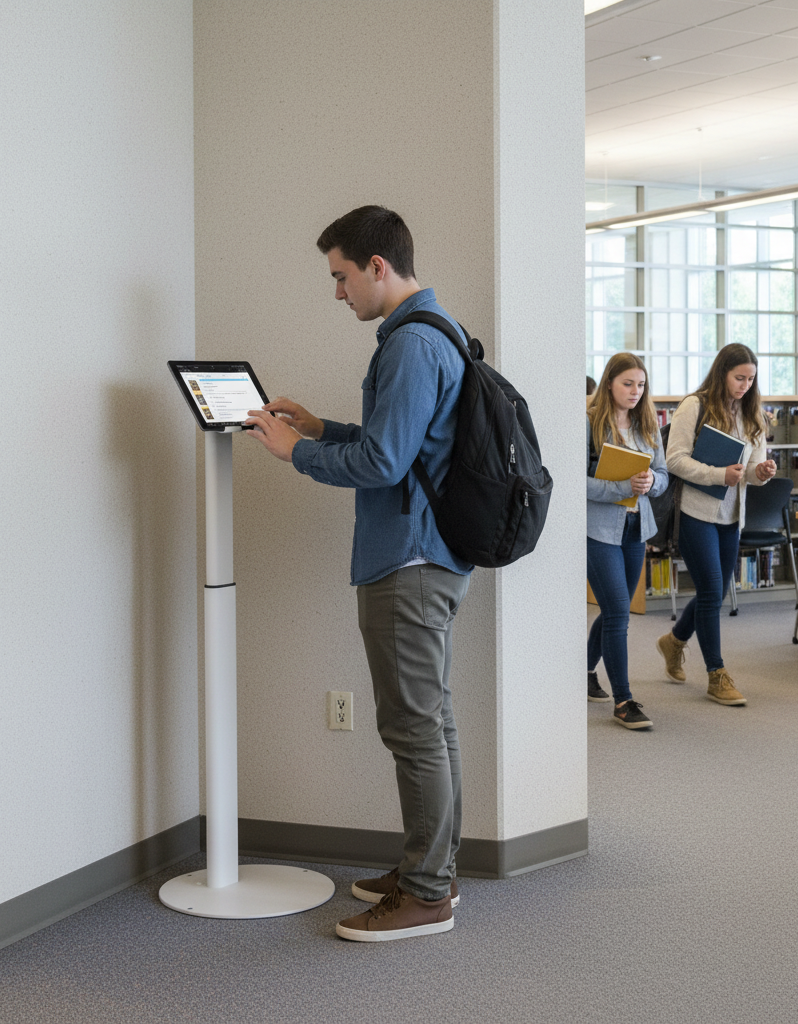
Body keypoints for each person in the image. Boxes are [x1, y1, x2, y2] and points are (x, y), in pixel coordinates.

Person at [244, 205, 470, 942]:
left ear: (377, 267)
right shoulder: (435, 334)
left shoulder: (409, 345)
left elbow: (382, 463)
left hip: (407, 558)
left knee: (413, 728)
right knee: (430, 722)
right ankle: (431, 869)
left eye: (341, 276)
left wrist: (292, 453)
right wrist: (320, 428)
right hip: (428, 551)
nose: (337, 292)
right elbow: (394, 442)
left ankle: (428, 892)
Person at [657, 343, 777, 706]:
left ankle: (674, 641)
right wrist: (717, 474)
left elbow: (751, 473)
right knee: (711, 592)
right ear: (722, 372)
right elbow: (674, 460)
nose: (744, 385)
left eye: (751, 379)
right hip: (696, 511)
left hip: (731, 516)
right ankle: (716, 674)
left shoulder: (753, 413)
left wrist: (761, 473)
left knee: (716, 593)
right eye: (739, 377)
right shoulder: (694, 406)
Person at [586, 353, 668, 729]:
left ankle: (584, 670)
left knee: (612, 610)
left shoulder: (648, 425)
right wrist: (622, 486)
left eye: (641, 385)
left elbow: (664, 475)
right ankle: (624, 700)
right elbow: (576, 481)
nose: (636, 392)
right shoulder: (588, 424)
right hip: (598, 530)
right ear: (609, 384)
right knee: (619, 611)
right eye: (628, 384)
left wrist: (653, 484)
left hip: (636, 529)